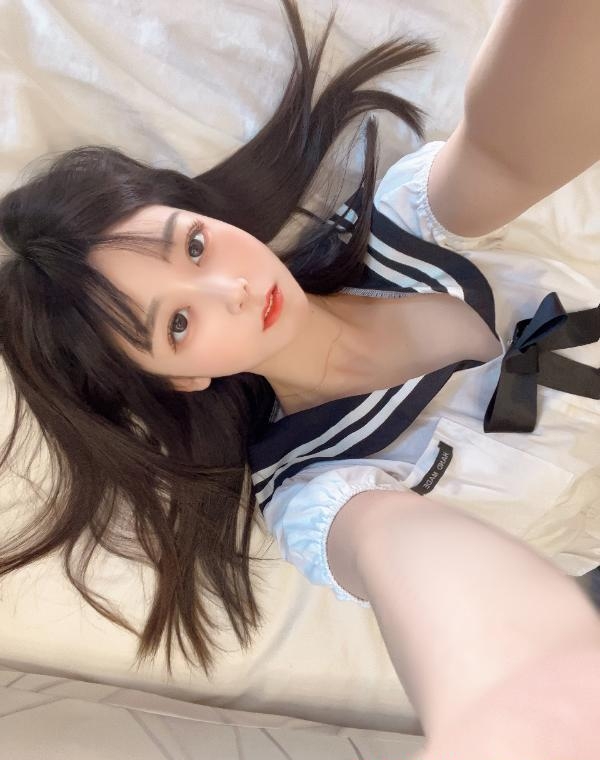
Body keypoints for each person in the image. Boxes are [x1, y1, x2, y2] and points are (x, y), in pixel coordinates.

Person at [1, 0, 599, 755]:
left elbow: (507, 151)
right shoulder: (317, 487)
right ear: (178, 381)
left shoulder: (400, 225)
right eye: (178, 324)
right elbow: (403, 554)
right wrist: (514, 700)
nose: (230, 289)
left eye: (194, 247)